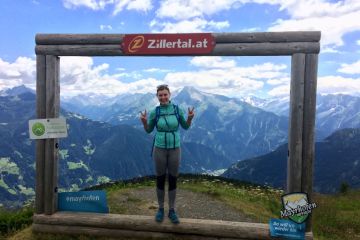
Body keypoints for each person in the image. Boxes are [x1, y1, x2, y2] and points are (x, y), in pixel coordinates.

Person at [140, 84, 194, 224]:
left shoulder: (177, 109)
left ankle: (172, 210)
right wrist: (144, 123)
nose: (163, 97)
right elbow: (148, 130)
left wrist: (189, 118)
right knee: (160, 178)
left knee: (173, 179)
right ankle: (160, 209)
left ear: (169, 95)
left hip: (175, 148)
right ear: (157, 97)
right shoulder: (155, 112)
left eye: (165, 94)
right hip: (159, 148)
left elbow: (186, 127)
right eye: (160, 95)